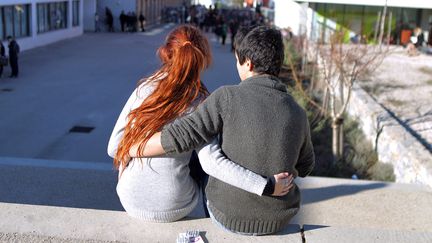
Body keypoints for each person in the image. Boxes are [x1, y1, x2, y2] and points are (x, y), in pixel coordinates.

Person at [129, 25, 315, 235]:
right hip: (278, 219)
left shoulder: (226, 97)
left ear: (248, 63)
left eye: (237, 61)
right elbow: (306, 166)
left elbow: (184, 134)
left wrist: (136, 147)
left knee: (202, 160)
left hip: (227, 217)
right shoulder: (298, 112)